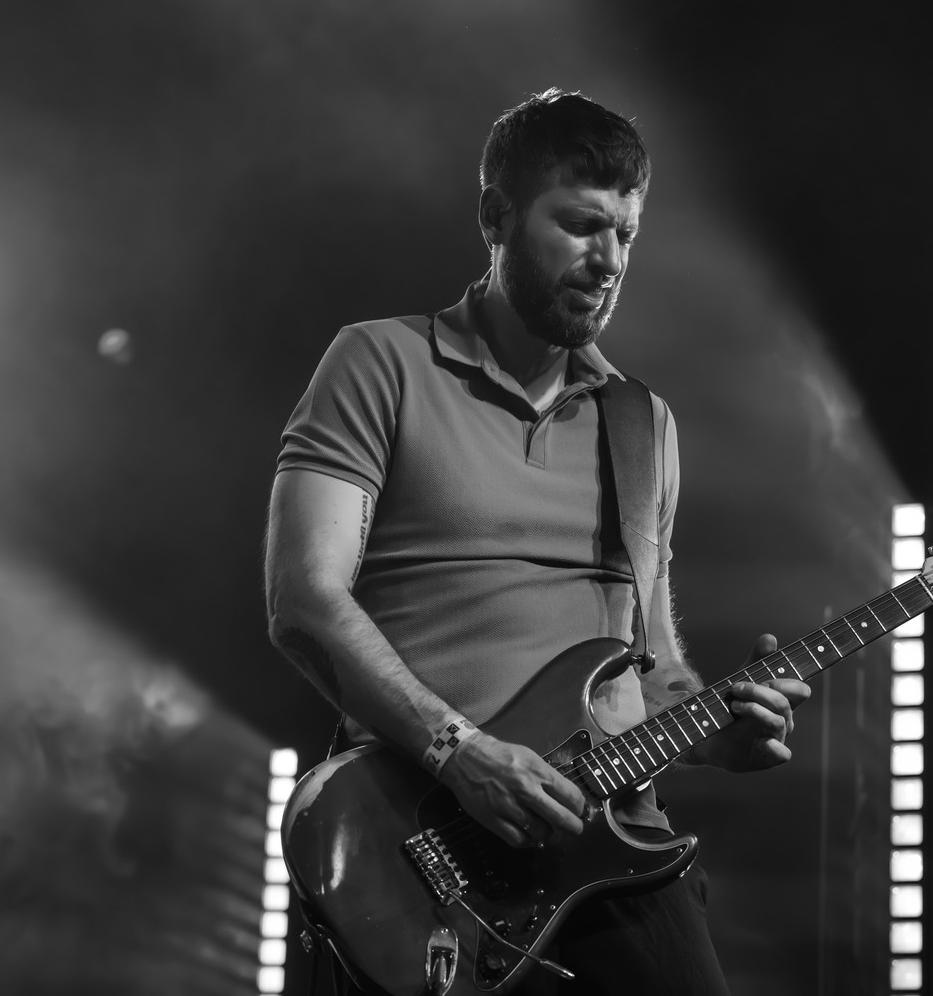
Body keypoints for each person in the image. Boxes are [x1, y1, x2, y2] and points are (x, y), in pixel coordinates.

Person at [264, 88, 810, 994]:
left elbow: (652, 667)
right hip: (418, 856)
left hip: (613, 853)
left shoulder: (643, 425)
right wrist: (460, 753)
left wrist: (719, 733)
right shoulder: (378, 362)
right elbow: (304, 602)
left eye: (626, 235)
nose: (609, 261)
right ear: (496, 216)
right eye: (583, 225)